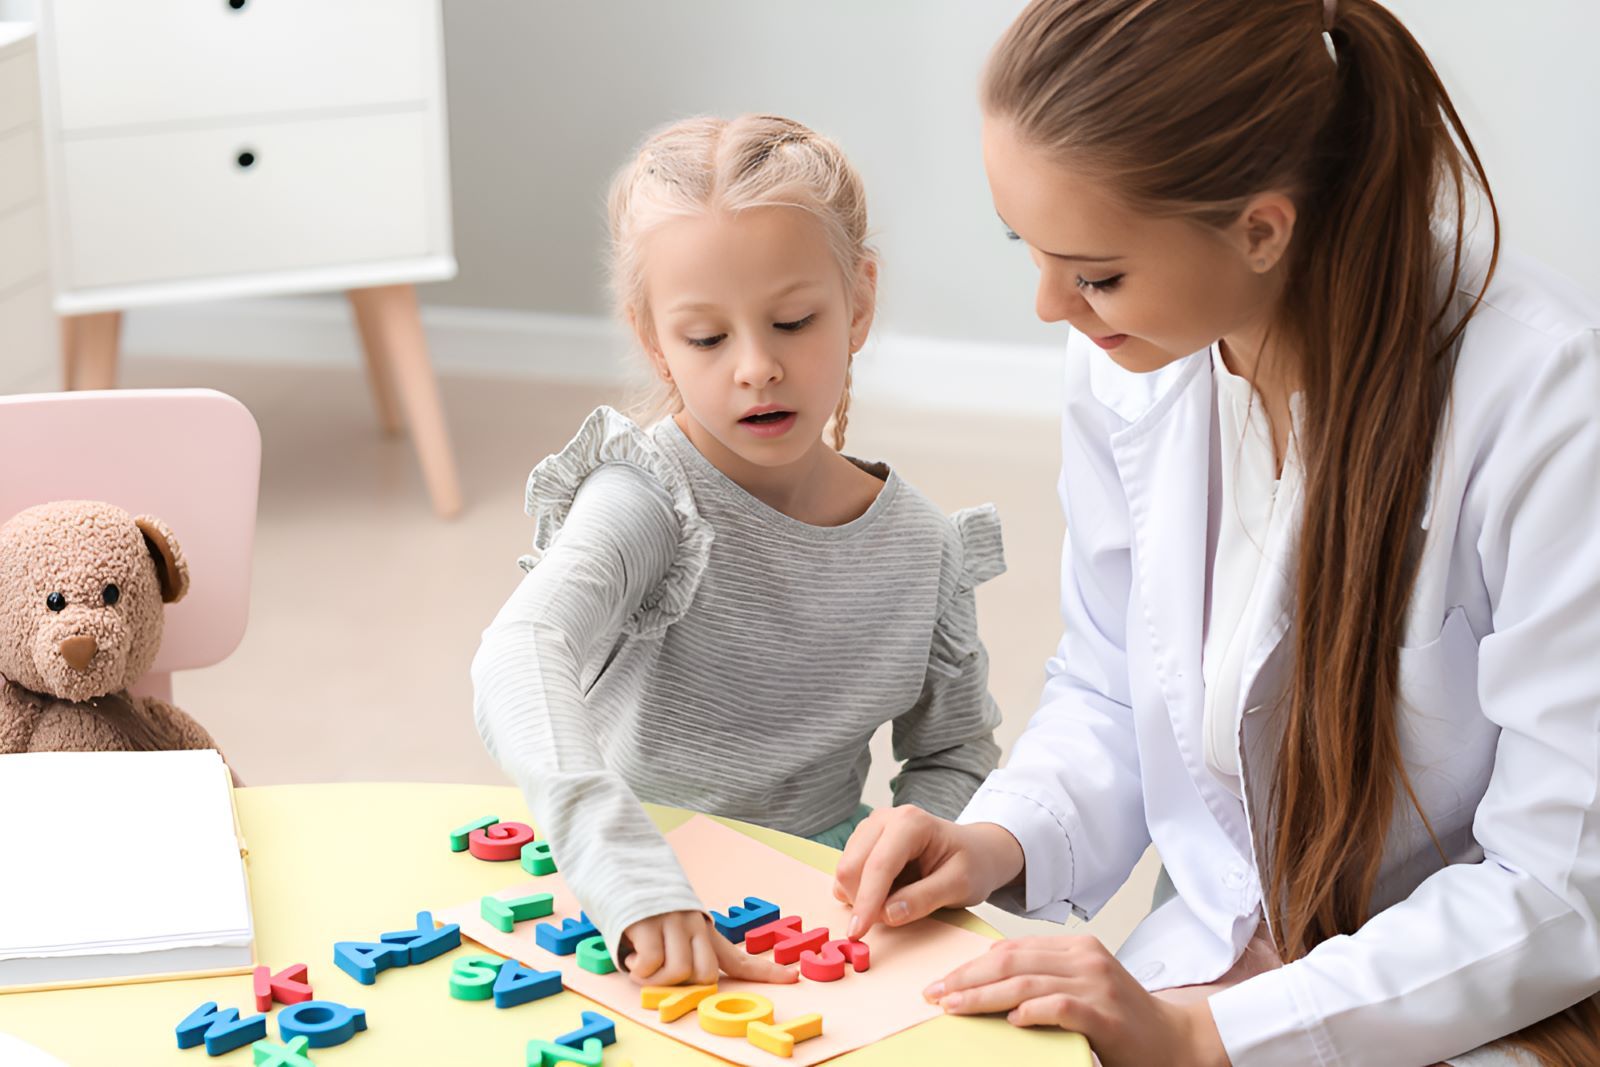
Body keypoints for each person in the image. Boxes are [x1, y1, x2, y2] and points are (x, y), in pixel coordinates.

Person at [833, 2, 1600, 1064]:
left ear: (1261, 228)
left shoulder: (1546, 403)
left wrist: (1202, 1033)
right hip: (1226, 950)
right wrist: (995, 837)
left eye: (1095, 271)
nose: (1051, 304)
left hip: (1472, 990)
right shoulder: (1131, 352)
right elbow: (1112, 677)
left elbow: (1559, 883)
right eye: (1031, 249)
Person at [473, 114, 1006, 990]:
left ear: (860, 300)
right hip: (633, 894)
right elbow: (520, 651)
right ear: (653, 339)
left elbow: (952, 753)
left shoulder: (924, 545)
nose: (757, 366)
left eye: (793, 320)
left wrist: (914, 840)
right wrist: (627, 875)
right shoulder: (645, 498)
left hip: (817, 910)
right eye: (708, 339)